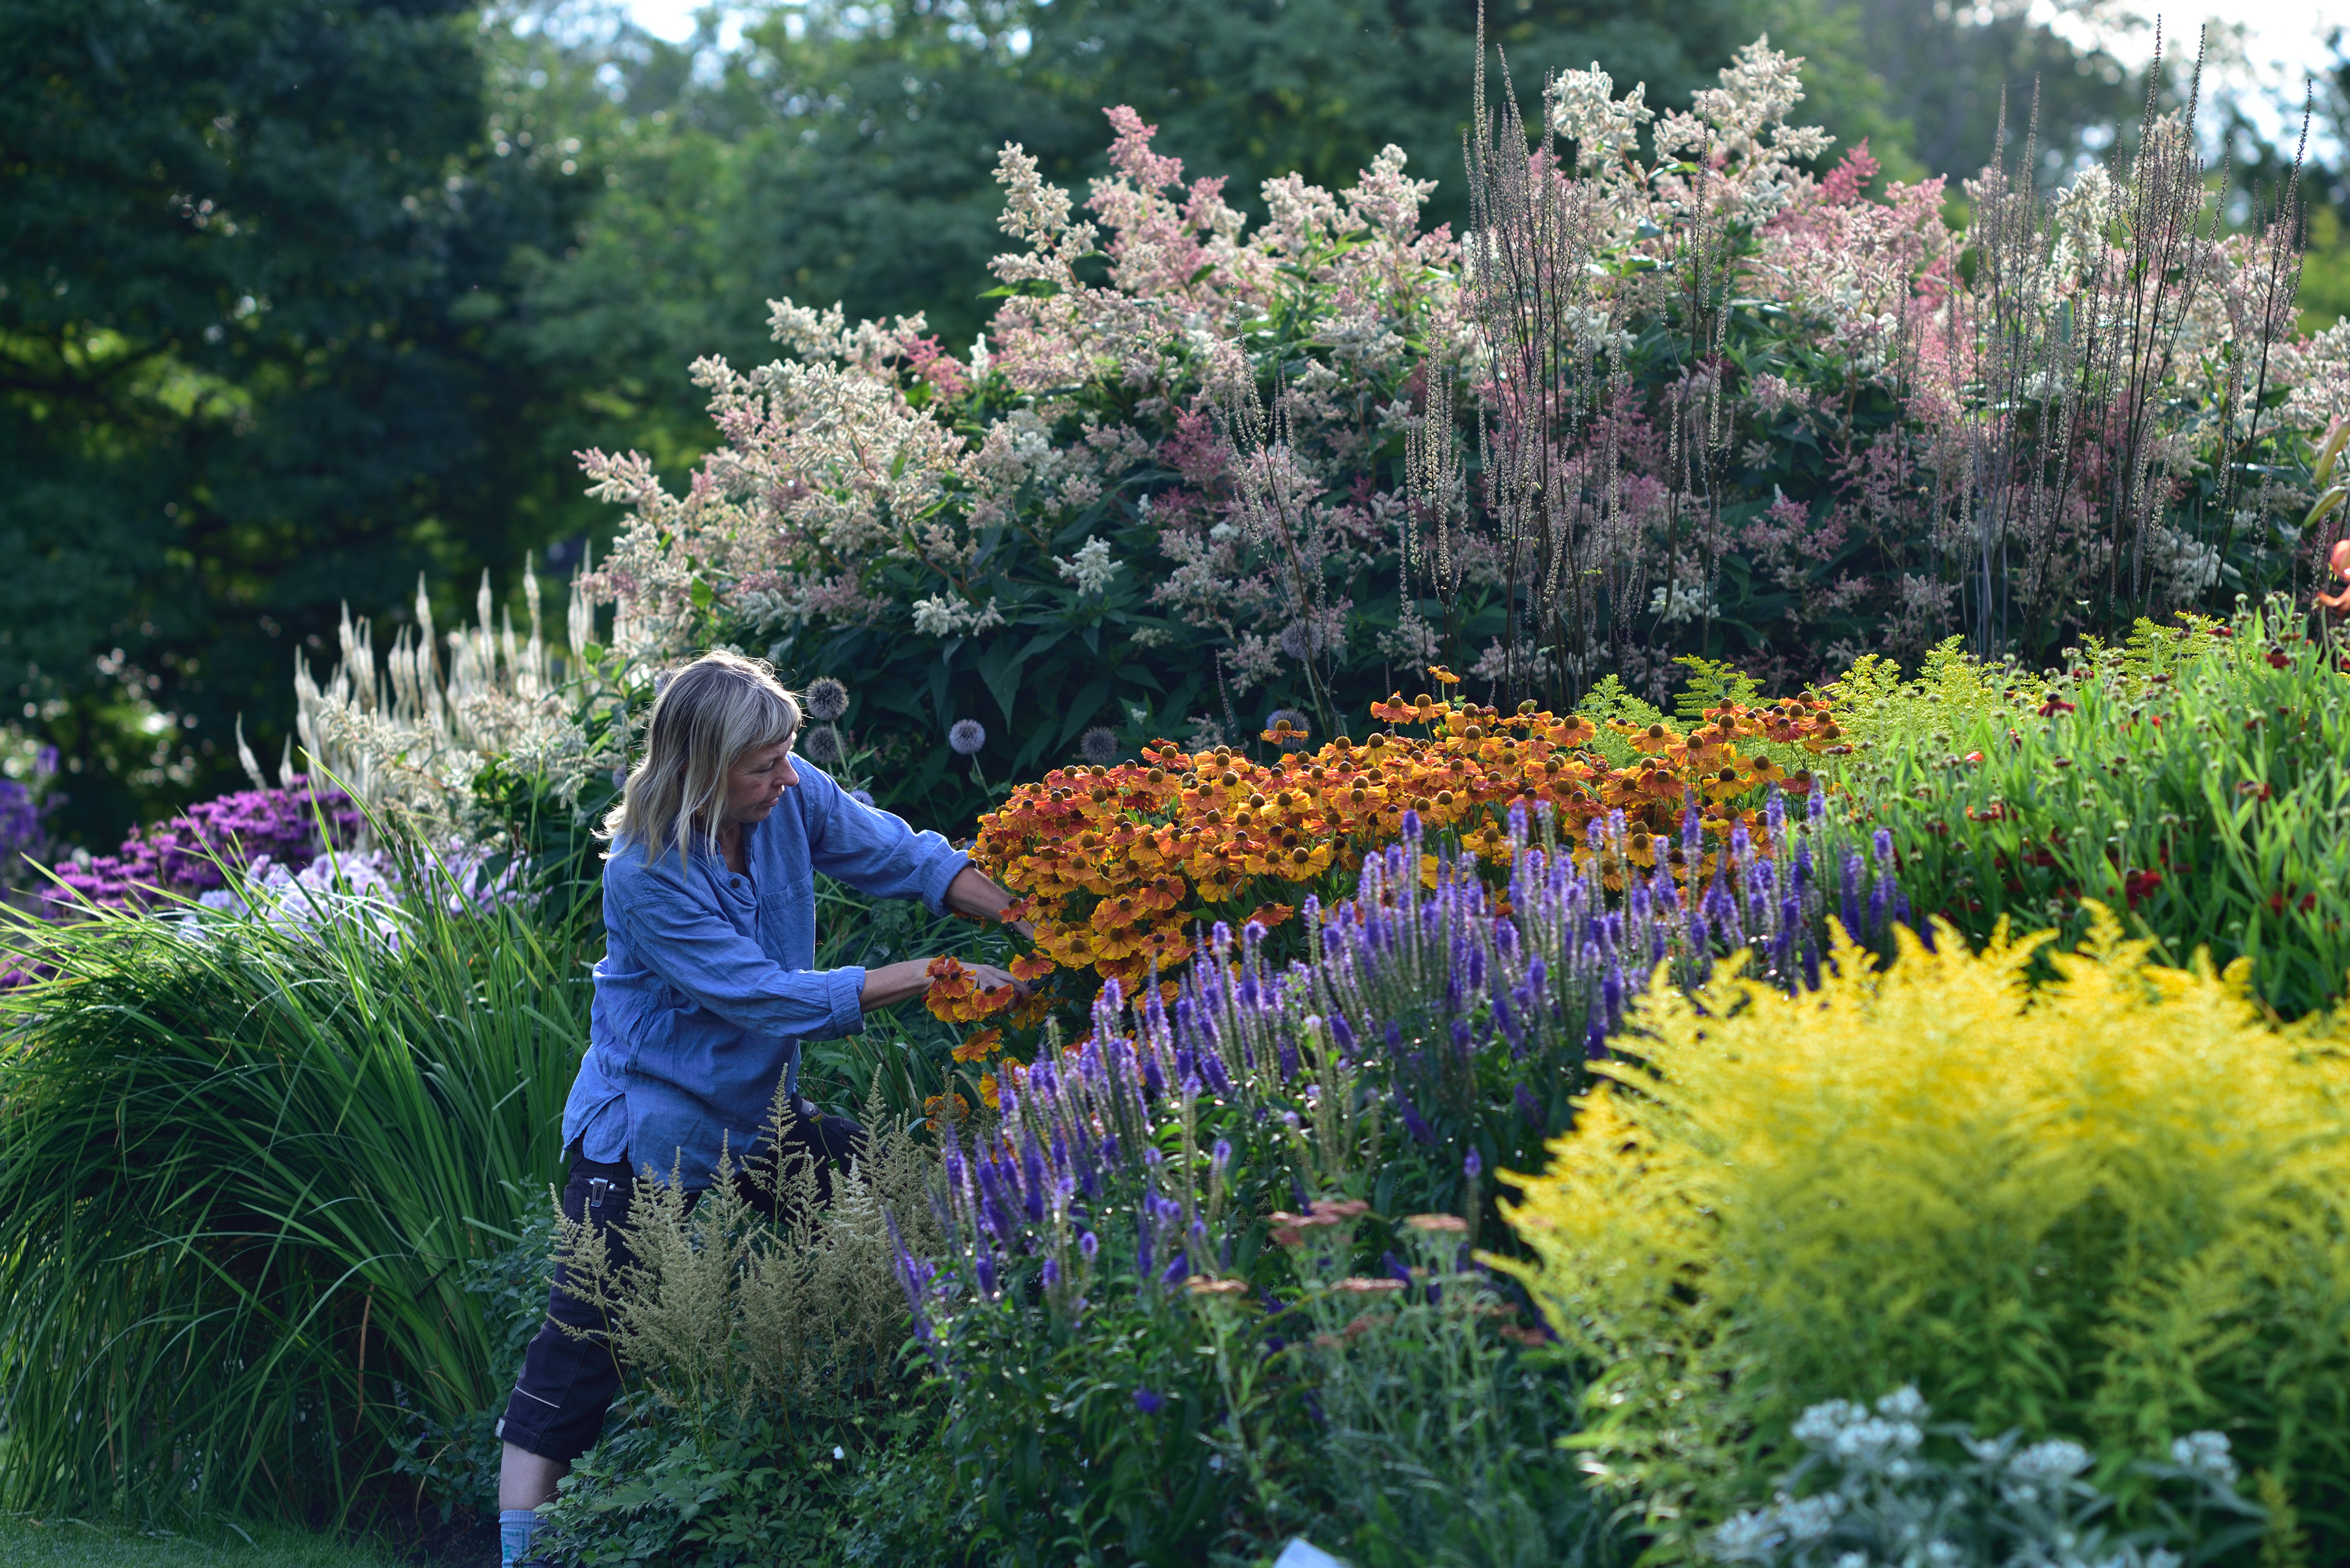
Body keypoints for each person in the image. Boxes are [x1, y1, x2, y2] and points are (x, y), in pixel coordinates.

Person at [493, 652, 1027, 1567]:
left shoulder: (787, 788)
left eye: (785, 757)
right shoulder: (646, 872)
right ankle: (519, 1556)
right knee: (581, 1350)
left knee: (915, 1207)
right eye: (763, 767)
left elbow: (897, 852)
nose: (786, 777)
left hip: (761, 1119)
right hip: (648, 1134)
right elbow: (764, 997)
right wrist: (931, 974)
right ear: (701, 770)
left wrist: (1017, 910)